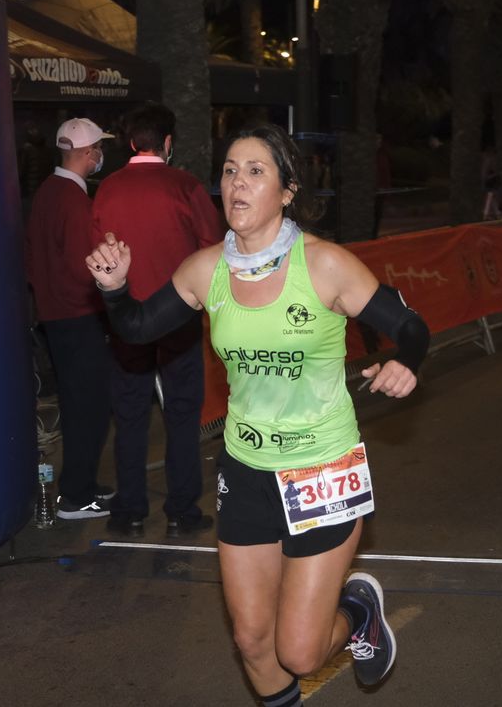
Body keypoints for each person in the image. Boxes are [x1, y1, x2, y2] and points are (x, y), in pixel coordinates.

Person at [86, 123, 430, 702]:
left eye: (255, 171)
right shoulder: (206, 271)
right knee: (251, 641)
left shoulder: (324, 266)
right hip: (245, 470)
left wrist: (407, 362)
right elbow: (138, 329)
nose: (236, 184)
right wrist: (116, 289)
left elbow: (408, 326)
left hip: (323, 469)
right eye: (228, 171)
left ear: (287, 191)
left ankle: (360, 611)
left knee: (299, 652)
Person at [91, 104, 224, 537]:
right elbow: (213, 248)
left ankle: (128, 510)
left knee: (128, 415)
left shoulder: (107, 189)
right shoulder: (185, 185)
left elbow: (97, 255)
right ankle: (182, 510)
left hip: (126, 316)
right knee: (182, 414)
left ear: (131, 142)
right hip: (177, 314)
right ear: (167, 143)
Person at [25, 118, 116, 520]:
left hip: (55, 315)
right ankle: (76, 497)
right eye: (98, 148)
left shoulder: (47, 192)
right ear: (86, 152)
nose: (100, 155)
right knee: (90, 409)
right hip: (78, 316)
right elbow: (86, 267)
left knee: (79, 404)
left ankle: (84, 488)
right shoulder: (74, 200)